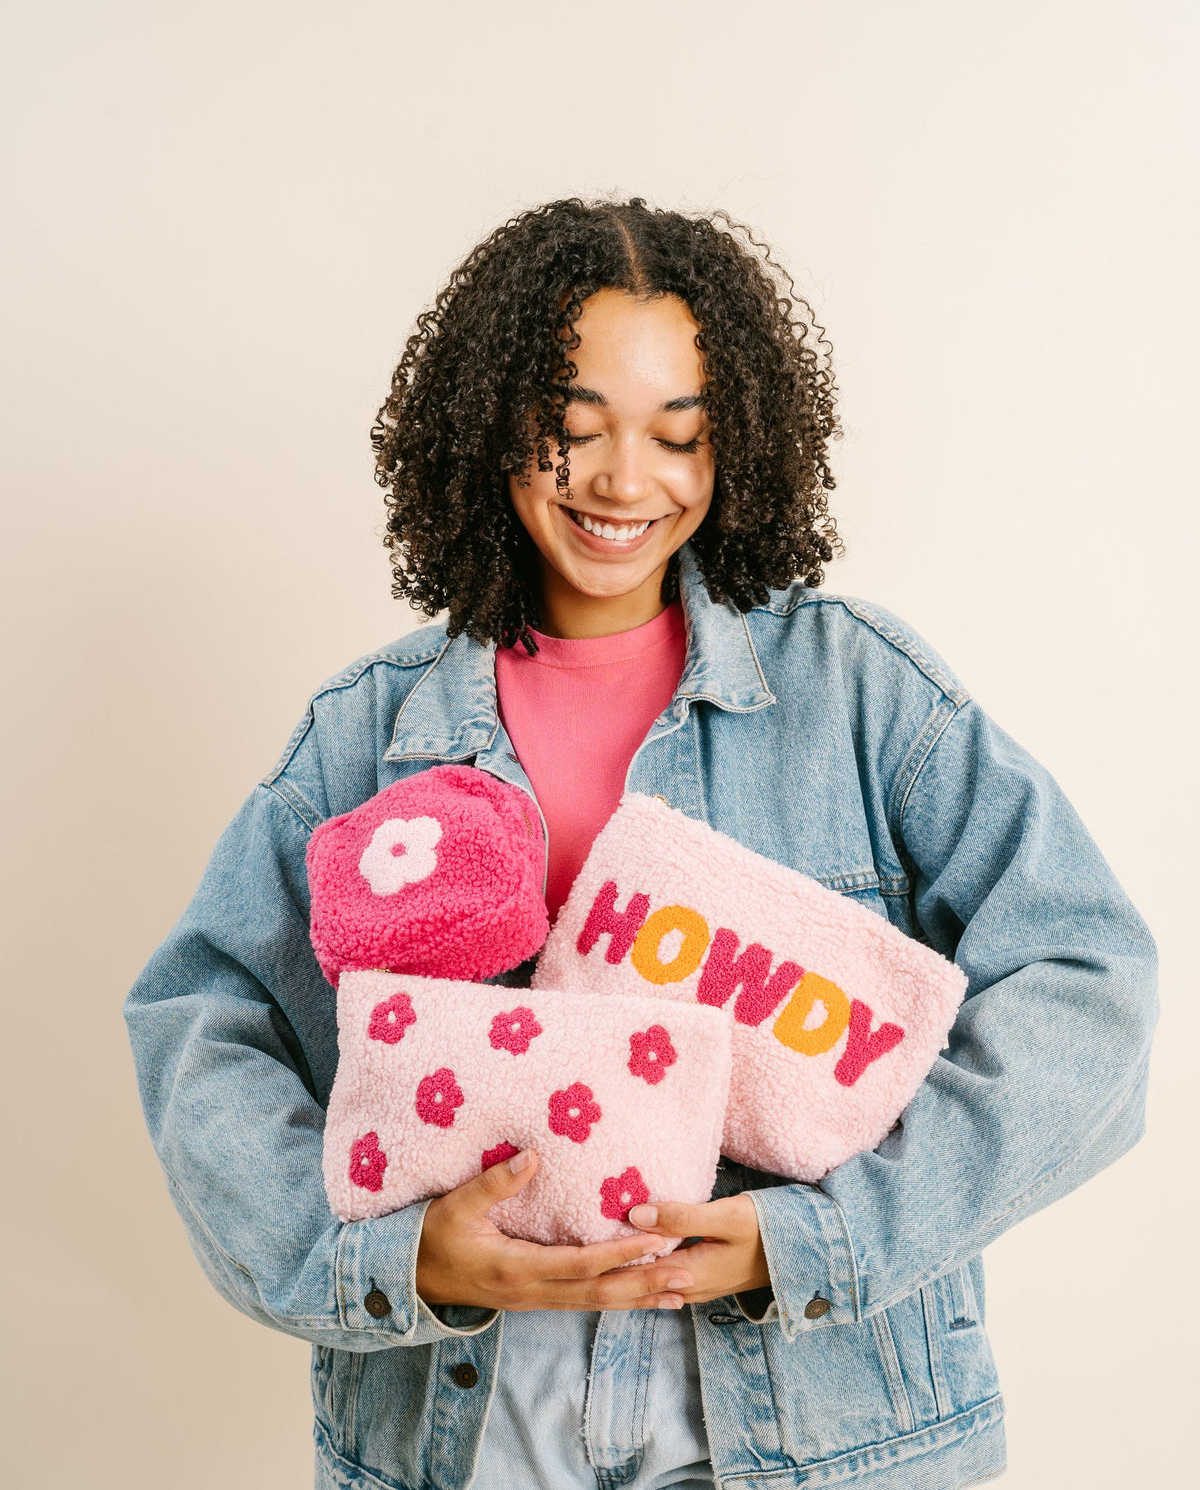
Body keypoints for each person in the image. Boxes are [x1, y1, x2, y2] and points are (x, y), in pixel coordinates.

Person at [122, 196, 1158, 1490]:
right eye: (572, 430)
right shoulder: (369, 732)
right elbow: (200, 1021)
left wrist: (822, 1241)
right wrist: (394, 1267)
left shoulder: (862, 698)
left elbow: (1092, 985)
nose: (626, 481)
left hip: (819, 1432)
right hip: (474, 1433)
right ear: (492, 427)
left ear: (739, 448)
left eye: (681, 436)